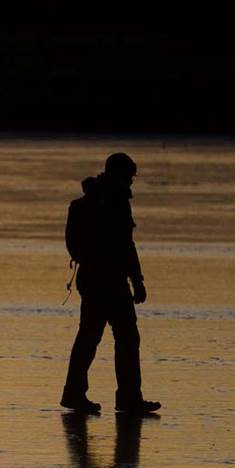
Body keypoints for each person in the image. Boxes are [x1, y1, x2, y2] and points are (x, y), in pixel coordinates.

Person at [61, 152, 160, 416]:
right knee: (112, 337)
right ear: (117, 175)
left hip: (107, 281)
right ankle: (120, 398)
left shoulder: (102, 202)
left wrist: (136, 279)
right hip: (104, 282)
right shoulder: (100, 204)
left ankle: (81, 394)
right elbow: (124, 246)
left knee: (100, 338)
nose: (131, 182)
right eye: (128, 176)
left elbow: (126, 246)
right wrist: (133, 279)